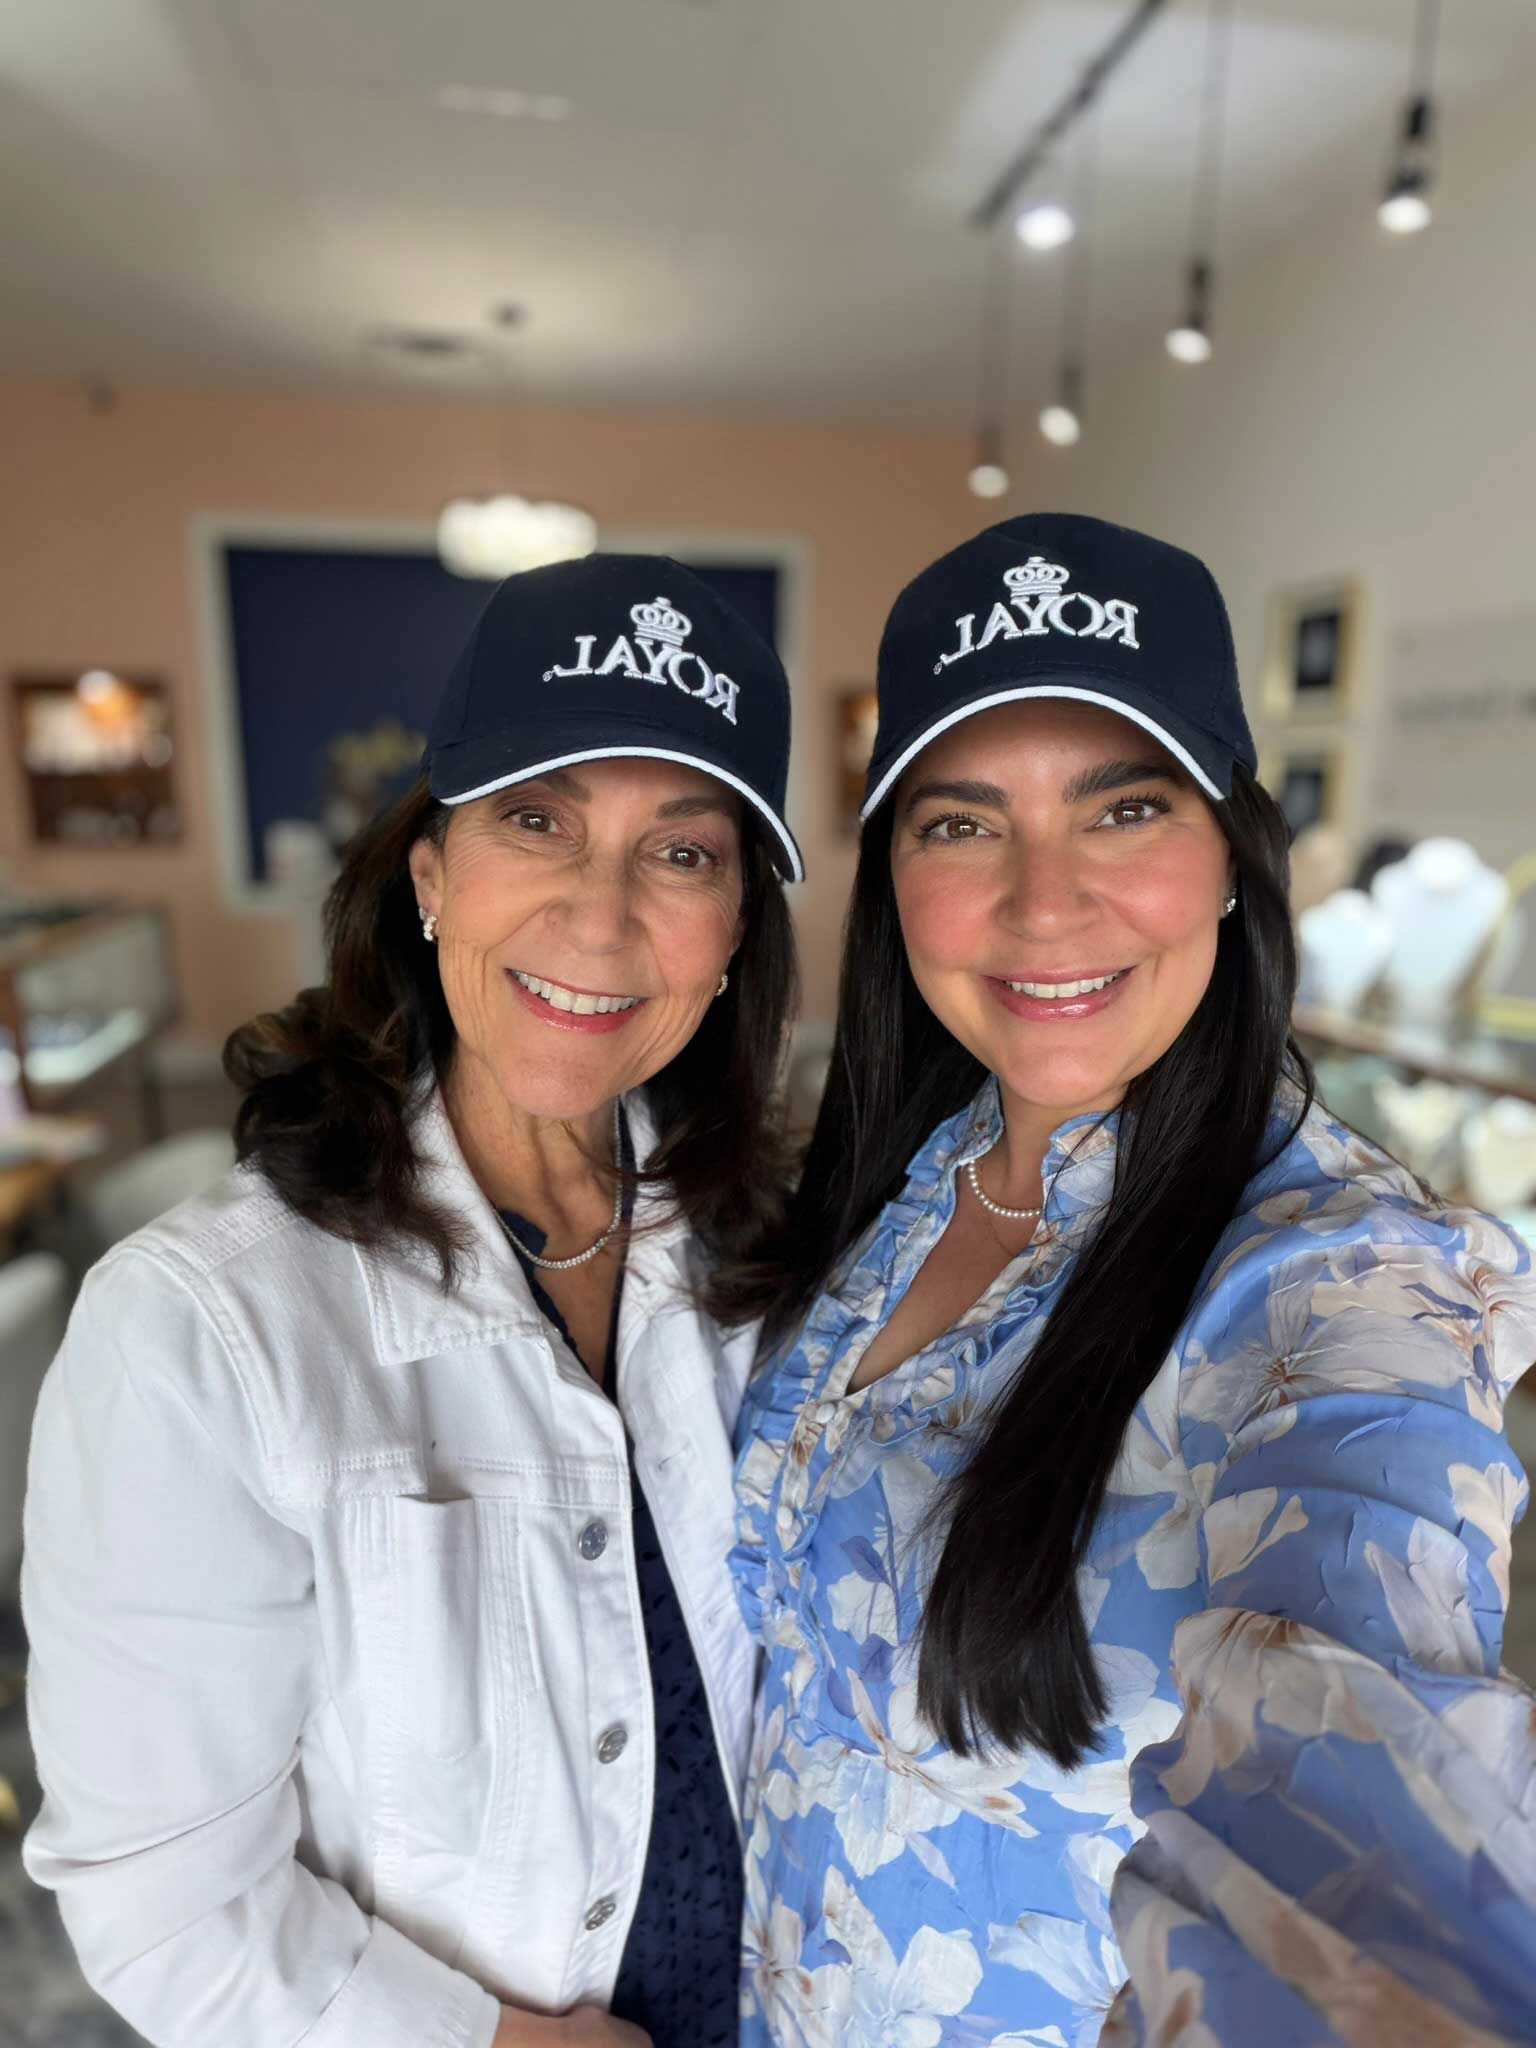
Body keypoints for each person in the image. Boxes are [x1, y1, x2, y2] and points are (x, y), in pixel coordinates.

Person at [731, 513, 1536, 2045]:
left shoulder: (1341, 1279)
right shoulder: (905, 1176)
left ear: (1235, 857)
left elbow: (1376, 1818)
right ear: (894, 873)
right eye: (960, 823)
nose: (1044, 903)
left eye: (1124, 811)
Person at [22, 554, 803, 2048]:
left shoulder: (763, 1258)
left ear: (734, 936)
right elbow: (163, 1900)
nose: (601, 916)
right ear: (431, 876)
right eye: (537, 822)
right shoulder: (205, 1331)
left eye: (684, 853)